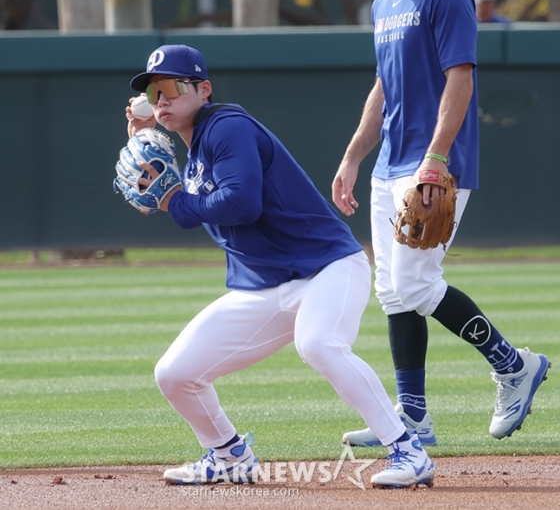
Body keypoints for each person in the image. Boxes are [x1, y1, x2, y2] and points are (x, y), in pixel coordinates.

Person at [123, 43, 435, 489]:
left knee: (319, 344)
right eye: (154, 93)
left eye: (172, 87)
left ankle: (408, 450)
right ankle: (229, 455)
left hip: (327, 267)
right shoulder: (193, 152)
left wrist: (177, 202)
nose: (163, 99)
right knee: (174, 373)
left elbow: (242, 203)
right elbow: (171, 190)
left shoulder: (226, 127)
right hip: (265, 288)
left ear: (204, 89)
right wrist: (143, 135)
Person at [332, 0, 549, 449]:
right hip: (388, 163)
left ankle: (513, 365)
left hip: (433, 162)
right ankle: (413, 420)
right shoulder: (383, 3)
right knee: (394, 293)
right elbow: (384, 88)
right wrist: (354, 155)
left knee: (415, 283)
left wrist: (435, 158)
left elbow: (460, 78)